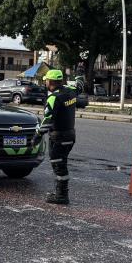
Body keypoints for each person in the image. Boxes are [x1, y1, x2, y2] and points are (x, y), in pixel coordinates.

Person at [31, 69, 77, 205]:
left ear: (50, 81)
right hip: (70, 135)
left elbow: (47, 120)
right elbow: (80, 85)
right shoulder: (70, 91)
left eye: (46, 80)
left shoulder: (53, 98)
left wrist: (37, 136)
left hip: (59, 137)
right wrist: (80, 72)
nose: (45, 82)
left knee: (59, 166)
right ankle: (61, 193)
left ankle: (61, 195)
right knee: (62, 164)